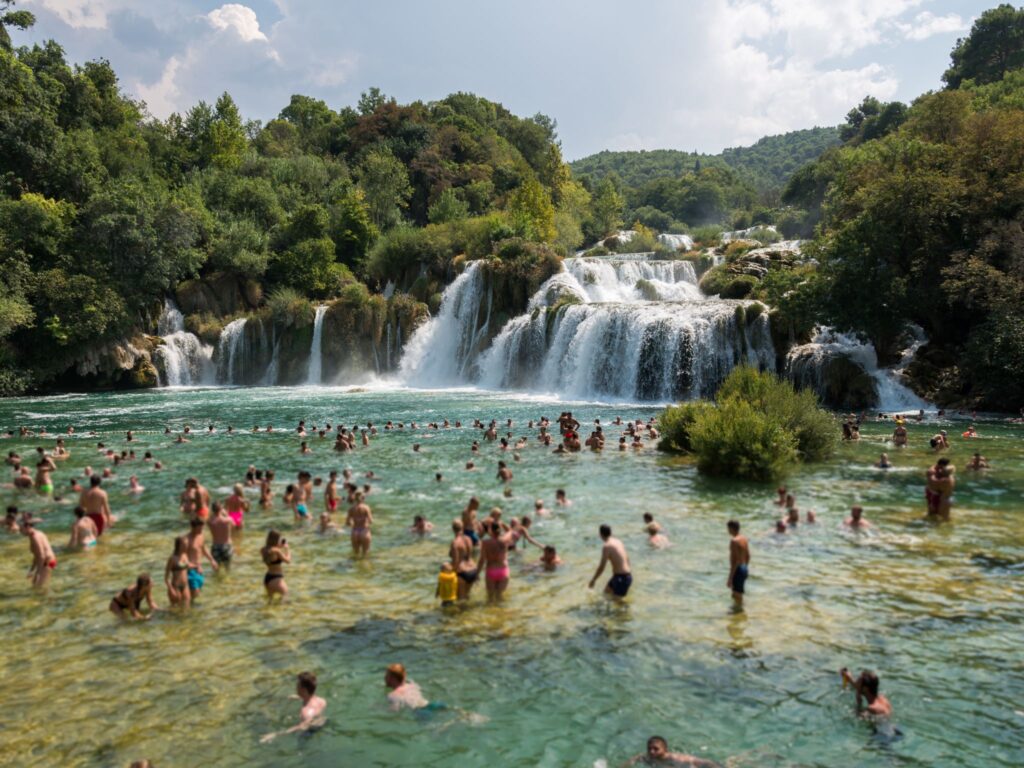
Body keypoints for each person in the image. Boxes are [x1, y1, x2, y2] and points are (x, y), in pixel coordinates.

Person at [260, 672, 327, 743]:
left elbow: (300, 727)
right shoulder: (322, 701)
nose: (296, 687)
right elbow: (310, 699)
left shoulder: (306, 712)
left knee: (300, 742)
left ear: (303, 690)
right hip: (323, 721)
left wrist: (275, 734)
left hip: (311, 730)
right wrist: (299, 697)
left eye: (298, 685)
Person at [588, 524, 632, 598]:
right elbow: (627, 558)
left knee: (618, 604)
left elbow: (602, 567)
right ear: (610, 533)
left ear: (600, 534)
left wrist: (593, 580)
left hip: (621, 578)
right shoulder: (618, 541)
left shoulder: (607, 546)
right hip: (623, 576)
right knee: (606, 594)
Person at [627, 735, 722, 766]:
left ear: (665, 749)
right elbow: (632, 760)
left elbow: (705, 762)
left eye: (656, 749)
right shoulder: (646, 757)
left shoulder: (677, 758)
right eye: (649, 749)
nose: (652, 751)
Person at [478, 519, 510, 602]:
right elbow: (510, 531)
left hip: (491, 570)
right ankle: (500, 614)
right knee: (500, 597)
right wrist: (502, 523)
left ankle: (490, 614)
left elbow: (482, 560)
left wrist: (477, 573)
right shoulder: (505, 540)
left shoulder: (485, 543)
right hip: (503, 570)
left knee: (490, 598)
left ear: (490, 530)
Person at [185, 517, 217, 597]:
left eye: (202, 528)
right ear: (193, 527)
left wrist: (212, 560)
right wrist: (193, 566)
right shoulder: (186, 540)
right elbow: (182, 557)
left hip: (199, 570)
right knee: (195, 594)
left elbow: (203, 549)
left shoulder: (201, 536)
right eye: (199, 529)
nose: (201, 531)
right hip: (190, 571)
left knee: (197, 594)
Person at [22, 516, 56, 588]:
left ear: (27, 527)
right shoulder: (35, 534)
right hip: (49, 561)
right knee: (36, 585)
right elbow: (36, 556)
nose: (21, 532)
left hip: (47, 562)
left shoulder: (35, 536)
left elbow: (41, 555)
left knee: (40, 586)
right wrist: (32, 570)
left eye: (22, 529)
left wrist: (38, 572)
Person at [450, 520, 477, 601]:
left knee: (460, 599)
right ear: (462, 528)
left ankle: (461, 613)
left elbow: (456, 562)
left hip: (462, 572)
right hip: (473, 569)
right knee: (467, 595)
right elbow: (469, 556)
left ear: (453, 529)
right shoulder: (468, 539)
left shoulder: (455, 543)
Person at [262, 530, 290, 601]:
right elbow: (288, 560)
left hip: (267, 578)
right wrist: (287, 549)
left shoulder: (263, 550)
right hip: (276, 578)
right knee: (285, 595)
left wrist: (279, 547)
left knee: (270, 600)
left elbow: (271, 553)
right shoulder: (277, 551)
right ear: (276, 540)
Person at [726, 520, 750, 605]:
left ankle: (739, 612)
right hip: (744, 567)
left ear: (731, 528)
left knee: (736, 594)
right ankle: (738, 612)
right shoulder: (744, 539)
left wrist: (730, 578)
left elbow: (735, 561)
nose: (727, 531)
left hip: (738, 569)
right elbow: (748, 555)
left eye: (728, 528)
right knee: (737, 593)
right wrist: (746, 568)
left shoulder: (734, 541)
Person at [164, 536, 191, 608]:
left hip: (185, 586)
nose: (187, 546)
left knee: (187, 608)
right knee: (175, 610)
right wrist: (171, 589)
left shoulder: (185, 555)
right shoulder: (172, 558)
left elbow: (188, 568)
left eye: (187, 544)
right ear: (179, 545)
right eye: (185, 544)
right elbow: (166, 578)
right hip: (175, 587)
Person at [345, 492, 373, 557]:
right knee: (365, 553)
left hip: (355, 531)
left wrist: (353, 523)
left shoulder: (351, 509)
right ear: (363, 498)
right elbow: (371, 521)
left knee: (356, 553)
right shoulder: (366, 507)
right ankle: (364, 566)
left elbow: (347, 523)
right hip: (364, 531)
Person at [207, 503, 234, 569]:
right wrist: (225, 514)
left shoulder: (210, 521)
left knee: (216, 568)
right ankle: (227, 579)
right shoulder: (228, 520)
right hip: (227, 545)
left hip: (216, 546)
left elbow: (209, 518)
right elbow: (234, 525)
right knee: (227, 567)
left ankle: (217, 579)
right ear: (221, 509)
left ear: (212, 510)